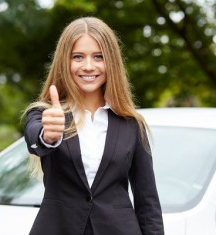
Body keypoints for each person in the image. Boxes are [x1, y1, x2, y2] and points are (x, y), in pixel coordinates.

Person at [24, 16, 164, 235]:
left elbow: (148, 203)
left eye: (98, 57)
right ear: (64, 61)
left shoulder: (132, 125)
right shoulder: (45, 115)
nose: (88, 66)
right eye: (78, 57)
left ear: (112, 62)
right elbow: (35, 137)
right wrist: (48, 136)